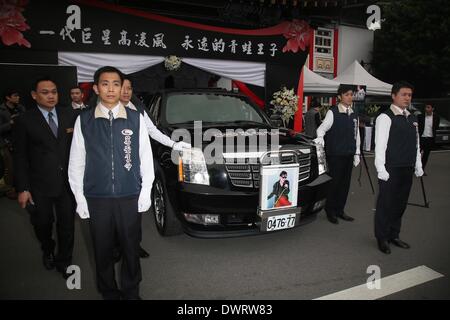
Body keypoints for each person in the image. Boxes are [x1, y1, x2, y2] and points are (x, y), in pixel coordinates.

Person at [68, 66, 153, 300]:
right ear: (96, 88)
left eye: (116, 84)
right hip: (98, 197)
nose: (111, 89)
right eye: (105, 84)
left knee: (130, 248)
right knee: (102, 250)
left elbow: (145, 157)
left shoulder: (135, 119)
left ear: (122, 88)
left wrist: (145, 190)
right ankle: (109, 292)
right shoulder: (84, 120)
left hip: (128, 195)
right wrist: (80, 197)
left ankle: (131, 292)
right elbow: (76, 161)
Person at [118, 76, 190, 260]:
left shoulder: (138, 110)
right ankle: (116, 247)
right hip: (114, 170)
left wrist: (173, 145)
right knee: (115, 213)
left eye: (129, 88)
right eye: (122, 88)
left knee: (135, 211)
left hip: (135, 169)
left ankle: (134, 246)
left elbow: (153, 132)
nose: (126, 92)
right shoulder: (106, 112)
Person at [13, 77, 77, 278]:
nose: (51, 96)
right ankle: (48, 248)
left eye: (54, 91)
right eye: (45, 92)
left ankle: (65, 261)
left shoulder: (70, 115)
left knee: (67, 225)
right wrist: (23, 188)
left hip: (67, 183)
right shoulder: (24, 120)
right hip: (39, 184)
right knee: (42, 222)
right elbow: (20, 156)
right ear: (34, 95)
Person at [374, 81, 423, 254]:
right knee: (386, 204)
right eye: (404, 94)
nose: (407, 98)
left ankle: (394, 234)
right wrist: (381, 168)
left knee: (400, 204)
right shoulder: (385, 117)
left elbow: (416, 143)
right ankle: (382, 237)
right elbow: (380, 146)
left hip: (407, 167)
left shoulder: (412, 118)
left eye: (409, 95)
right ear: (393, 96)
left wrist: (418, 164)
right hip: (391, 168)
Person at [315, 84, 361, 224]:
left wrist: (357, 152)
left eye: (351, 94)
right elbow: (321, 129)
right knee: (334, 184)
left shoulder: (354, 113)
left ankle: (340, 210)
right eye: (346, 94)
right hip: (335, 154)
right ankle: (330, 211)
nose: (349, 97)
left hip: (348, 153)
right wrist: (320, 138)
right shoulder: (333, 112)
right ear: (340, 97)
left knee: (345, 185)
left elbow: (356, 134)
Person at [0, 89, 25, 199]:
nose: (18, 98)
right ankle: (10, 190)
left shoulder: (21, 108)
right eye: (15, 96)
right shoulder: (1, 110)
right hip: (6, 143)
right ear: (8, 97)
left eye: (18, 95)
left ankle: (21, 188)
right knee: (10, 167)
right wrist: (10, 123)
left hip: (21, 141)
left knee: (22, 166)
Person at [417, 104, 440, 171]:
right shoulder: (420, 116)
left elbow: (436, 127)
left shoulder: (436, 117)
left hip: (430, 139)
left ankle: (421, 170)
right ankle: (415, 168)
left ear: (432, 108)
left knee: (426, 156)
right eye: (426, 107)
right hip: (421, 138)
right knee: (417, 155)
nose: (426, 109)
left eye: (428, 107)